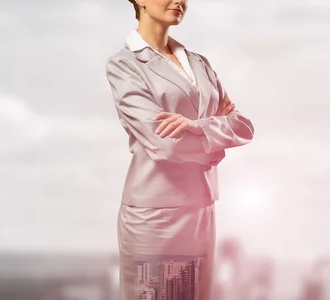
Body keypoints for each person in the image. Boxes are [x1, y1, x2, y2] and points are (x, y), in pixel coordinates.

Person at [104, 0, 255, 299]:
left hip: (201, 209)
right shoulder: (124, 65)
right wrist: (217, 141)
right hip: (158, 218)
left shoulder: (199, 63)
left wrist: (196, 127)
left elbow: (243, 126)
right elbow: (164, 145)